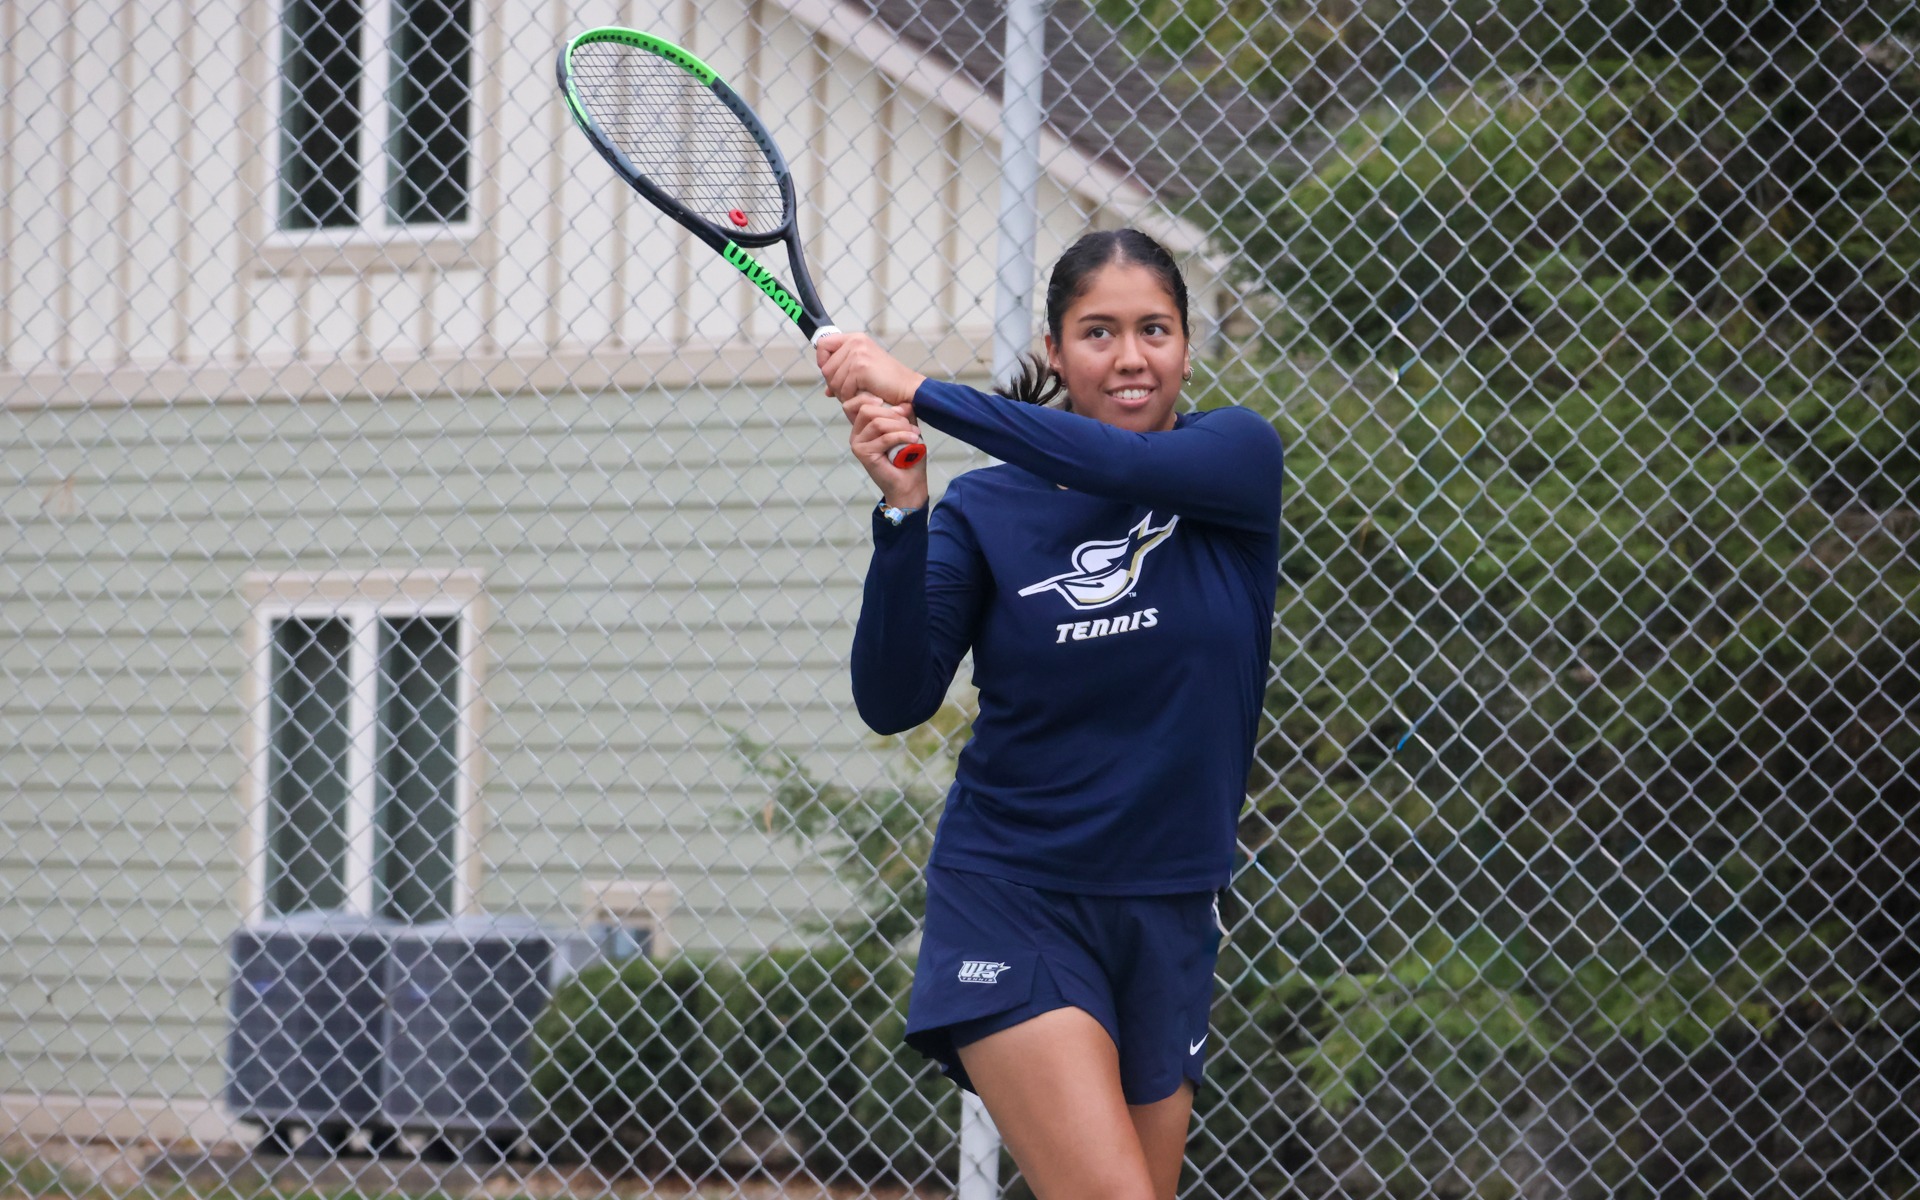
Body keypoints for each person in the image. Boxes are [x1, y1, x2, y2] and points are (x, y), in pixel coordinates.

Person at [816, 228, 1283, 1200]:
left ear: (1188, 348)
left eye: (1153, 329)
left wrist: (925, 392)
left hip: (1168, 908)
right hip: (1014, 894)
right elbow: (893, 698)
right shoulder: (990, 512)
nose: (1129, 357)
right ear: (1056, 351)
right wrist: (905, 514)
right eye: (1098, 331)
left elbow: (1120, 469)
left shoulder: (1234, 465)